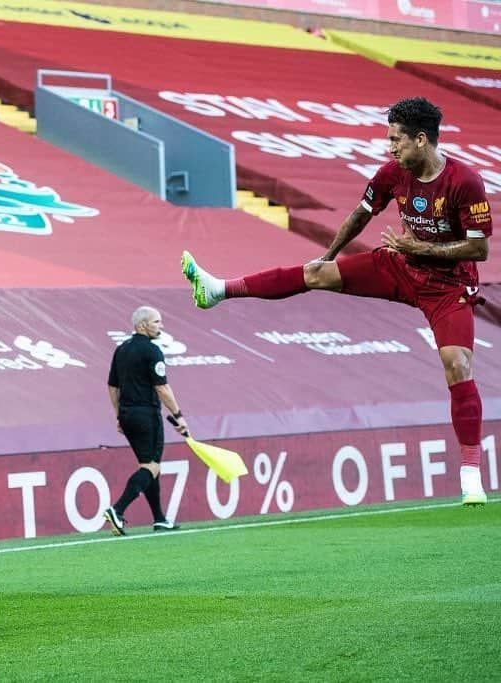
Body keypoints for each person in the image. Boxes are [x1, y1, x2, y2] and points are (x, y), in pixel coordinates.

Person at [181, 96, 491, 507]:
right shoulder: (391, 173)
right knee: (312, 273)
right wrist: (328, 255)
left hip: (448, 287)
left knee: (457, 366)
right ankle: (216, 289)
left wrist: (422, 249)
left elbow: (478, 250)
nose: (390, 147)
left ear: (421, 139)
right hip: (399, 265)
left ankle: (470, 474)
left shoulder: (463, 182)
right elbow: (361, 215)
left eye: (397, 139)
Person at [103, 306, 190, 535]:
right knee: (151, 465)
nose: (161, 326)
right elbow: (161, 387)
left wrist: (118, 414)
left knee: (150, 466)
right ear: (142, 325)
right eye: (156, 322)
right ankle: (117, 509)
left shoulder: (121, 349)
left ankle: (159, 518)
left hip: (127, 414)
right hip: (146, 415)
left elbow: (113, 386)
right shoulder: (152, 351)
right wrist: (179, 415)